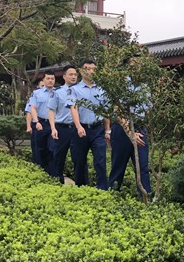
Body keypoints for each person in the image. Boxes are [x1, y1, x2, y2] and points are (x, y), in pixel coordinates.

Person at [69, 59, 110, 190]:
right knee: (79, 161)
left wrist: (107, 130)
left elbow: (106, 110)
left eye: (93, 69)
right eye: (87, 68)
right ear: (81, 71)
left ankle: (102, 190)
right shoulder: (74, 90)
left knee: (100, 161)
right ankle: (82, 190)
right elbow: (73, 108)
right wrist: (78, 126)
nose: (91, 71)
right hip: (81, 129)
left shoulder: (102, 89)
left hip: (98, 129)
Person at [107, 79, 151, 197]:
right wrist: (130, 132)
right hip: (122, 128)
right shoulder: (121, 84)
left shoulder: (145, 86)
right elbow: (118, 112)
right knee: (118, 167)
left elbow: (148, 111)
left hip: (140, 128)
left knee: (143, 167)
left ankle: (146, 199)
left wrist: (142, 129)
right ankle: (112, 197)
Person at [49, 65, 78, 185]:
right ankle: (58, 181)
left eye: (75, 74)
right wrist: (53, 128)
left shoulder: (80, 91)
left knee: (79, 157)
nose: (73, 77)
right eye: (70, 74)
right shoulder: (58, 92)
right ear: (64, 76)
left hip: (77, 128)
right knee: (59, 156)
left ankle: (82, 184)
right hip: (62, 128)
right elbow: (51, 110)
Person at [30, 74, 56, 174]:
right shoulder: (37, 93)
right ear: (43, 80)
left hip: (54, 124)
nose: (50, 80)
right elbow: (33, 108)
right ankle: (40, 172)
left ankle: (52, 173)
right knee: (39, 149)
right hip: (41, 123)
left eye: (52, 79)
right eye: (48, 78)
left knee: (52, 148)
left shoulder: (58, 93)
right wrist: (36, 122)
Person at [25, 80, 43, 162]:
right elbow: (29, 112)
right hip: (36, 123)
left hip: (49, 124)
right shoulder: (34, 96)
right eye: (42, 86)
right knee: (37, 148)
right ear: (38, 86)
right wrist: (28, 126)